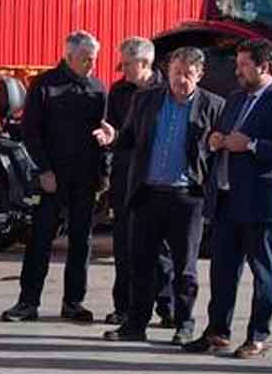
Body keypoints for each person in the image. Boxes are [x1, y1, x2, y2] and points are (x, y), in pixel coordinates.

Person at [184, 38, 272, 358]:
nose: (237, 71)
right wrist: (216, 140)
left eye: (243, 65)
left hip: (264, 203)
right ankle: (217, 332)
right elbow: (227, 136)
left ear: (263, 66)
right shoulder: (237, 98)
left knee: (263, 273)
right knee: (222, 271)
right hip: (228, 199)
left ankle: (257, 336)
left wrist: (252, 145)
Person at [94, 46, 224, 344]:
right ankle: (135, 324)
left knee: (185, 267)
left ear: (200, 75)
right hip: (148, 194)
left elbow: (217, 156)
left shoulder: (214, 106)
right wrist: (112, 138)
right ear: (167, 72)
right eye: (176, 73)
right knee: (141, 262)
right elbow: (127, 140)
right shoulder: (145, 100)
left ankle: (184, 323)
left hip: (187, 197)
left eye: (188, 75)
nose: (181, 80)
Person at [1, 30, 108, 323]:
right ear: (69, 56)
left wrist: (103, 175)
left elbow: (104, 133)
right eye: (87, 59)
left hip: (85, 179)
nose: (92, 65)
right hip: (52, 178)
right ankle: (27, 302)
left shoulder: (98, 89)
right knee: (40, 239)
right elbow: (31, 132)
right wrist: (44, 170)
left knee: (81, 242)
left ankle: (74, 302)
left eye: (94, 59)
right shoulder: (45, 86)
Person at [103, 37, 167, 327]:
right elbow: (117, 133)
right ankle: (124, 307)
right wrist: (110, 138)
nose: (123, 69)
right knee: (124, 246)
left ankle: (169, 307)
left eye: (127, 64)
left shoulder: (168, 92)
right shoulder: (118, 92)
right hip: (125, 179)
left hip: (158, 181)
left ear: (144, 63)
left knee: (163, 250)